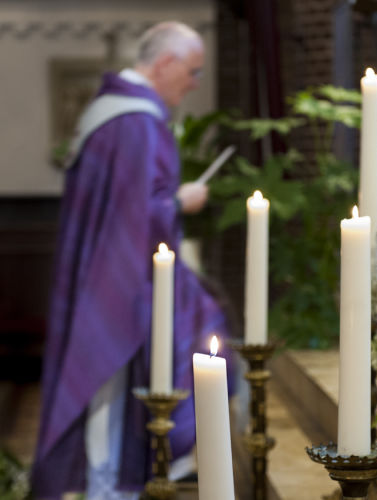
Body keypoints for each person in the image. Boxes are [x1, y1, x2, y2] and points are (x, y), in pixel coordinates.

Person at [31, 22, 232, 499]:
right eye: (192, 71)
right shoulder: (138, 122)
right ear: (164, 64)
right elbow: (139, 215)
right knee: (113, 386)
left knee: (113, 387)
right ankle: (109, 486)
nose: (194, 83)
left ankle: (114, 480)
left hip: (99, 270)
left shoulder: (107, 113)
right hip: (122, 279)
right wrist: (181, 203)